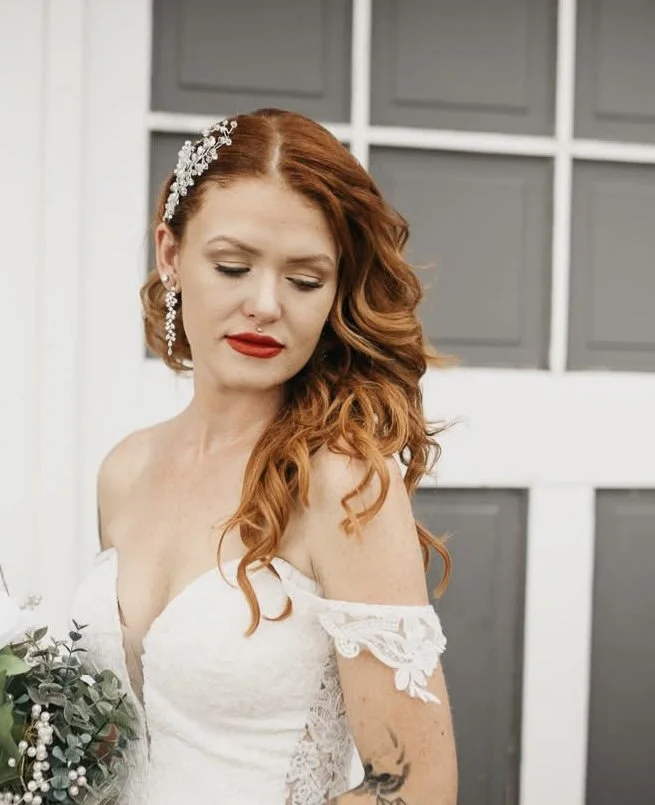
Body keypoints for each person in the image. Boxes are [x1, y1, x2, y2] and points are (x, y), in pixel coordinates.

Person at [72, 108, 457, 805]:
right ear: (169, 256)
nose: (264, 304)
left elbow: (418, 789)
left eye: (305, 280)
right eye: (231, 265)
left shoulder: (341, 482)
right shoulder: (124, 470)